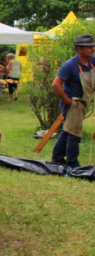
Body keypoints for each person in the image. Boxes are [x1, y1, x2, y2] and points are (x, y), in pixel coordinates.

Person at [51, 34, 95, 169]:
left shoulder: (93, 61)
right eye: (88, 47)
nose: (92, 49)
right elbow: (55, 84)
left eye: (93, 46)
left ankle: (57, 157)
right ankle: (73, 163)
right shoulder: (69, 65)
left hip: (84, 101)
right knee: (74, 133)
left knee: (67, 130)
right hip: (73, 102)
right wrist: (68, 100)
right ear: (79, 49)